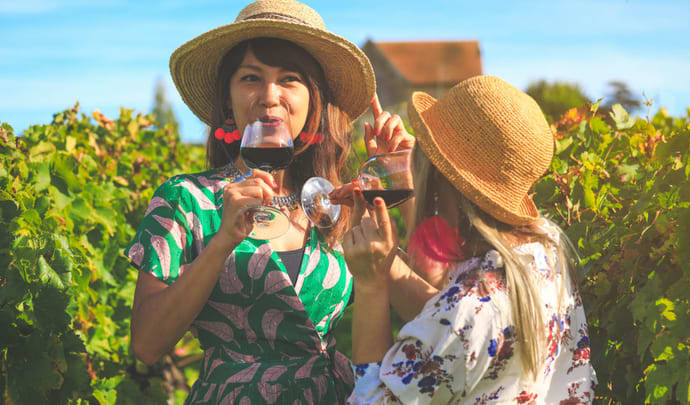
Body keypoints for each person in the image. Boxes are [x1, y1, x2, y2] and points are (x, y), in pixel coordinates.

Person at [123, 0, 381, 403]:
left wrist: (394, 174)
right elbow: (146, 345)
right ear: (228, 101)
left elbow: (414, 299)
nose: (269, 96)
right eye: (250, 78)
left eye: (289, 79)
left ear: (312, 99)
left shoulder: (333, 202)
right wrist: (222, 241)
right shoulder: (185, 199)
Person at [343, 75, 598, 404]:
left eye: (424, 150)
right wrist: (386, 261)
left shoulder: (470, 309)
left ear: (438, 177)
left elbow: (373, 399)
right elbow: (442, 314)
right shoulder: (543, 250)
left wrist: (370, 283)